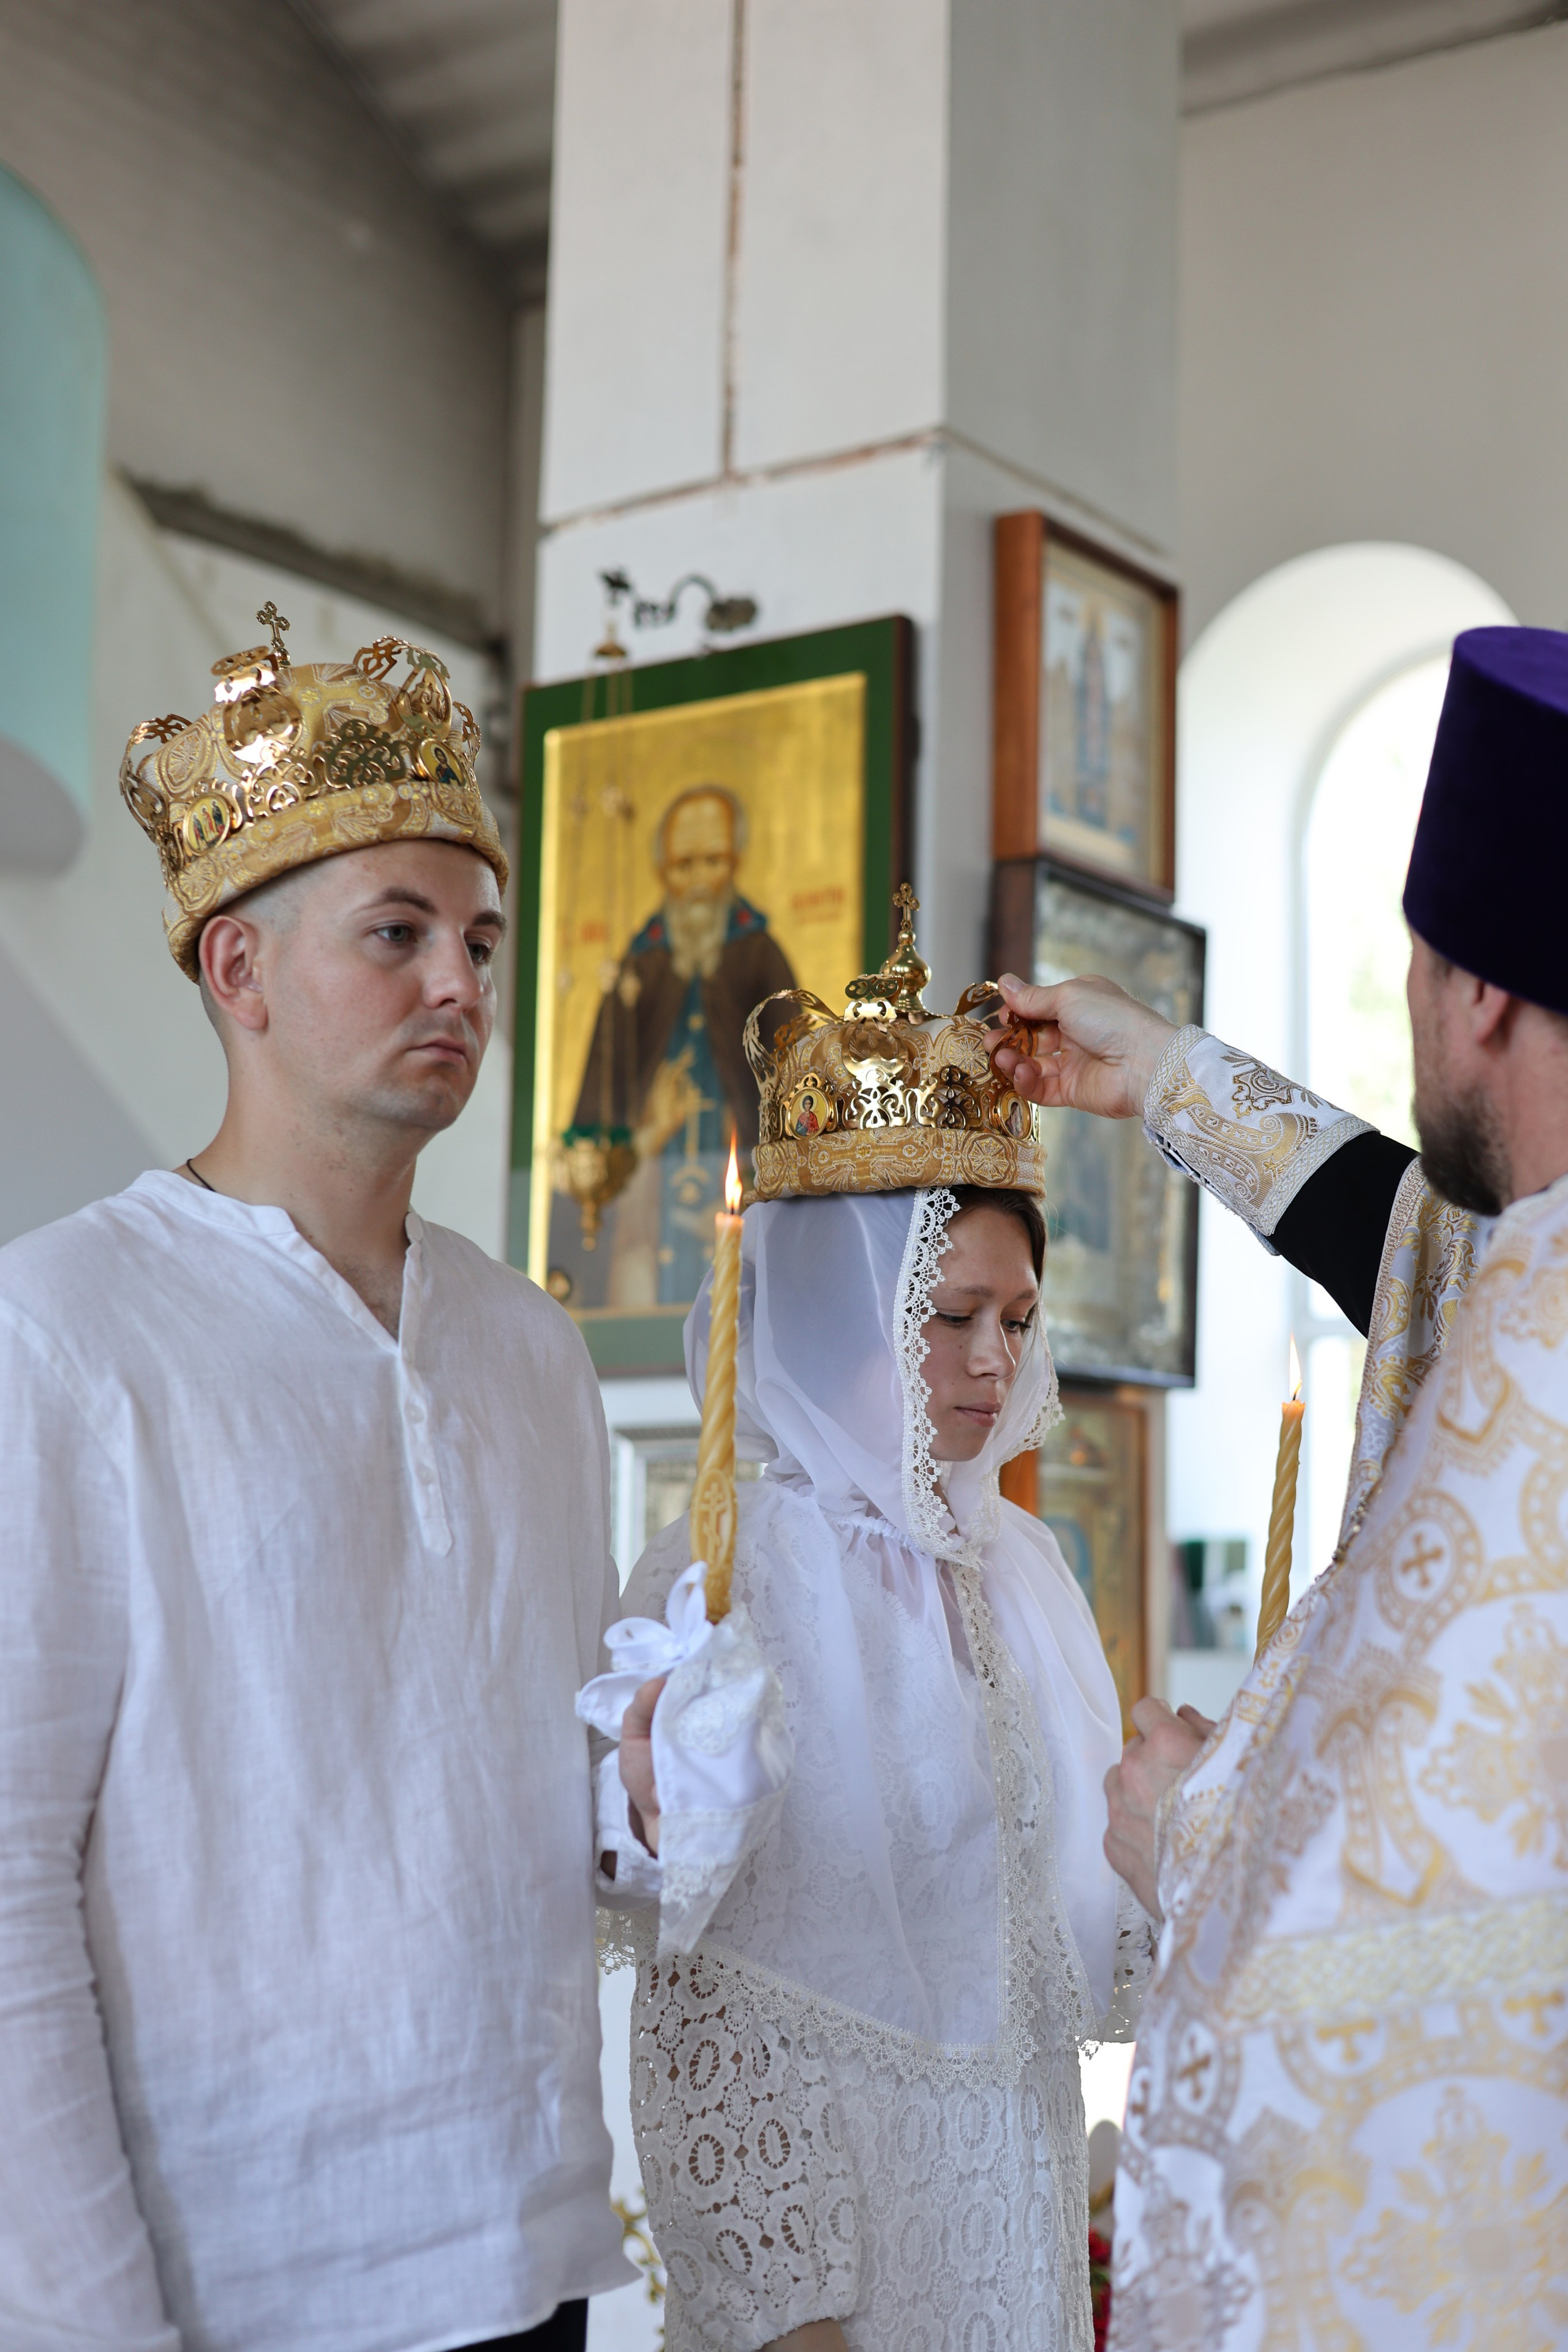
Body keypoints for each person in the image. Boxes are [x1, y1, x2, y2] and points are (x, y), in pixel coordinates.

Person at [0, 612, 628, 2350]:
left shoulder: (529, 1352)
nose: (462, 987)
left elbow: (561, 1796)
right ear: (238, 971)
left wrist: (671, 1779)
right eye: (400, 935)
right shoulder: (62, 1329)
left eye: (484, 942)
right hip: (234, 2278)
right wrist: (87, 2323)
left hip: (523, 2242)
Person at [990, 625, 1568, 2348]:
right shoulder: (1513, 1286)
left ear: (1473, 992)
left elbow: (1430, 1924)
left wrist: (1199, 1834)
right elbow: (1423, 1239)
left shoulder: (1537, 1367)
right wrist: (1169, 1074)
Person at [597, 901, 1153, 2352]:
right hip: (836, 2272)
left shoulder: (1017, 1561)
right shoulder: (732, 1570)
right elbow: (704, 2000)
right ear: (837, 1314)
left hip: (1009, 2211)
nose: (989, 1361)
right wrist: (792, 2312)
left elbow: (1066, 1934)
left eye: (1018, 1319)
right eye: (947, 1312)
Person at [563, 783, 796, 1306]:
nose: (696, 883)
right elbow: (598, 1112)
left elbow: (798, 1085)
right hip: (647, 1199)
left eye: (711, 862)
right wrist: (644, 1131)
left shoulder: (759, 955)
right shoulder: (637, 968)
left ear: (735, 862)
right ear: (662, 871)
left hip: (740, 1187)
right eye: (682, 865)